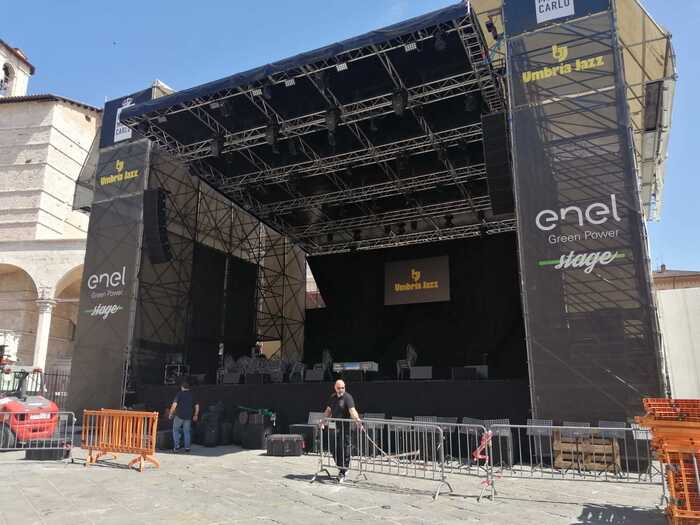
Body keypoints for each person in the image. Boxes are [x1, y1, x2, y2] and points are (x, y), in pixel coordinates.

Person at [321, 379, 361, 483]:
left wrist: (358, 421)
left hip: (345, 428)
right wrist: (323, 421)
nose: (341, 390)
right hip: (334, 427)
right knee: (333, 448)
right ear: (335, 388)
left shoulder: (348, 397)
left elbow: (352, 410)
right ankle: (342, 468)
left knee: (344, 449)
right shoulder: (332, 397)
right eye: (339, 388)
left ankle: (343, 471)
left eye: (343, 388)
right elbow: (328, 410)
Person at [168, 379, 199, 453]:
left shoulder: (179, 394)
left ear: (182, 387)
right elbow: (197, 406)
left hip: (179, 416)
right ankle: (187, 448)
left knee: (175, 430)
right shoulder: (192, 395)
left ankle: (176, 447)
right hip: (188, 416)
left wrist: (171, 413)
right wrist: (195, 415)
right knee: (187, 432)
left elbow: (174, 405)